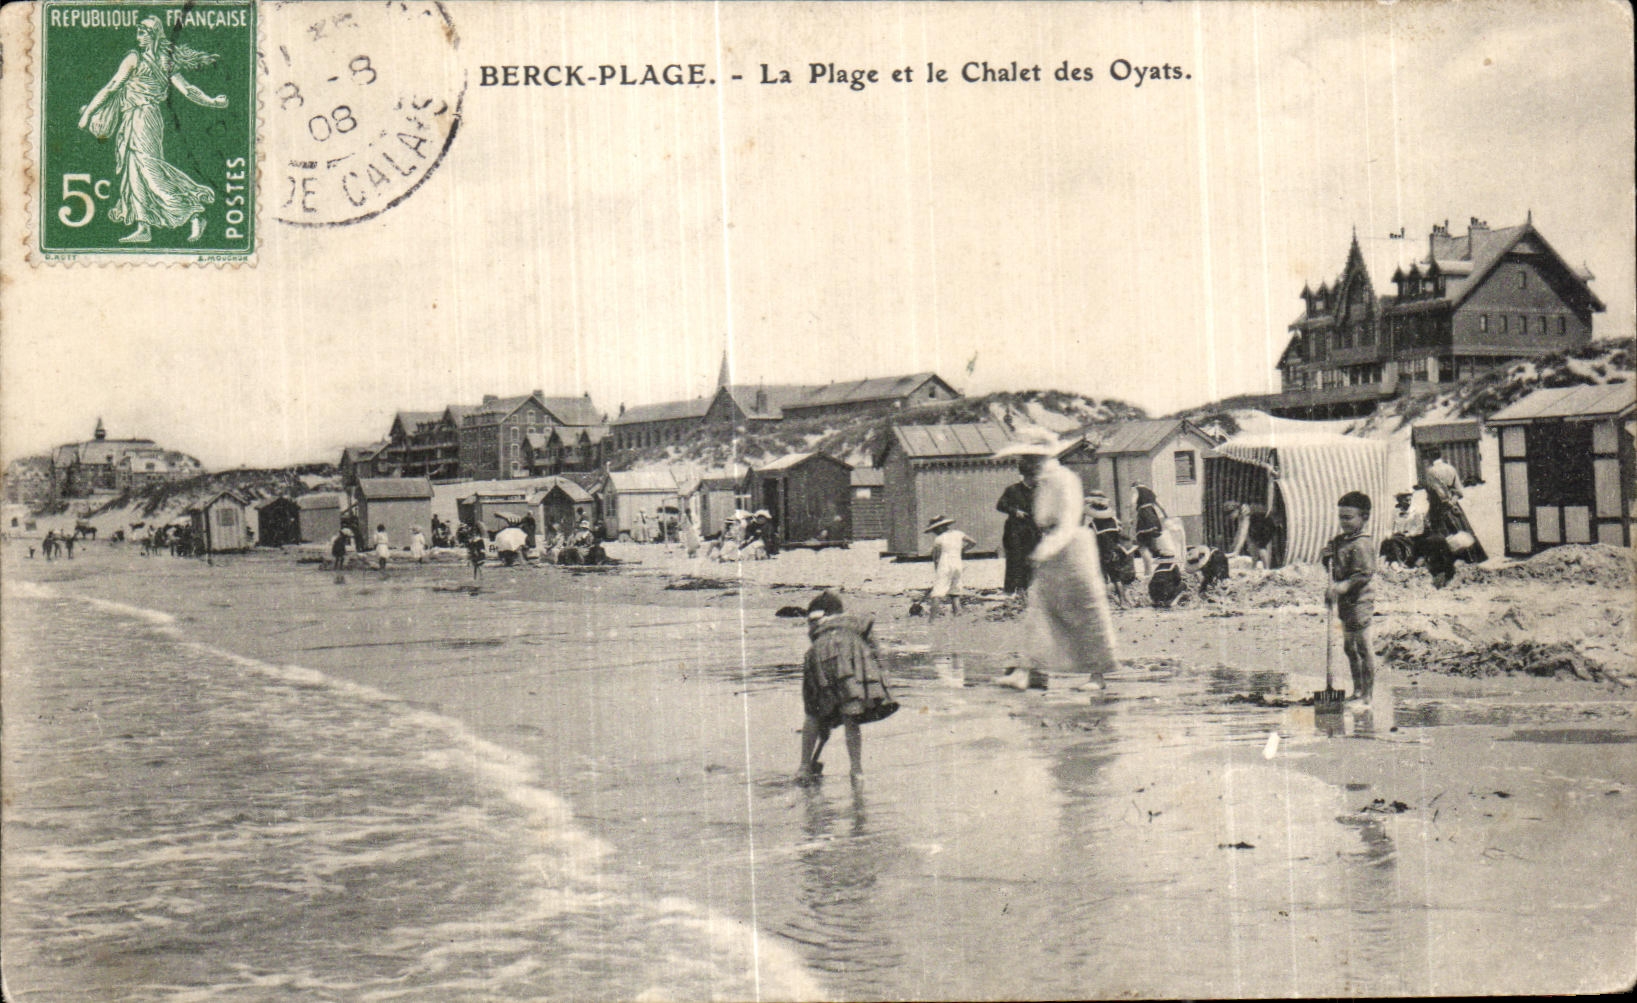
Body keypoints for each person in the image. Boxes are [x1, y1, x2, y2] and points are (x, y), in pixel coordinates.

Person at [77, 17, 227, 244]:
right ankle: (143, 226)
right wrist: (89, 112)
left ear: (154, 34)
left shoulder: (156, 61)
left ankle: (194, 212)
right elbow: (112, 86)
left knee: (150, 170)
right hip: (131, 118)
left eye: (143, 32)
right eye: (138, 32)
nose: (139, 37)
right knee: (134, 172)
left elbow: (187, 90)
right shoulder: (135, 58)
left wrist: (212, 102)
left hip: (146, 118)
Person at [994, 429, 1120, 691]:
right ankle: (1028, 671)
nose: (1023, 462)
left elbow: (1069, 521)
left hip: (1072, 550)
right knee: (1038, 611)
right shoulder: (1044, 482)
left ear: (1039, 457)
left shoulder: (1064, 479)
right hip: (1050, 548)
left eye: (1027, 457)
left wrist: (1046, 550)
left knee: (1084, 613)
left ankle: (1097, 676)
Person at [797, 591, 898, 783]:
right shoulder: (856, 623)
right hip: (851, 655)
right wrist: (882, 675)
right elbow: (876, 649)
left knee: (812, 713)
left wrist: (824, 720)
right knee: (851, 715)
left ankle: (803, 767)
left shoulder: (817, 627)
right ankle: (856, 770)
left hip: (818, 654)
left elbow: (816, 638)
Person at [1324, 491, 1379, 707]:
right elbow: (1333, 566)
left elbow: (1364, 574)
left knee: (1363, 646)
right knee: (1349, 648)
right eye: (1341, 517)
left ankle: (1367, 695)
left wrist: (1341, 587)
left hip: (1360, 601)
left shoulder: (1363, 544)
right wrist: (1326, 556)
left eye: (1348, 518)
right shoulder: (1340, 541)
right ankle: (1357, 690)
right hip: (1344, 603)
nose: (1343, 522)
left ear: (1364, 517)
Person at [995, 465, 1040, 597]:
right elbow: (1000, 505)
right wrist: (1015, 511)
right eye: (1035, 477)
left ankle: (1025, 588)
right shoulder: (1012, 489)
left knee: (1030, 559)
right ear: (1027, 477)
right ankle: (1009, 590)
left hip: (1032, 530)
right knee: (1014, 559)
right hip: (1014, 530)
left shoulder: (1038, 491)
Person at [1087, 492, 1135, 608]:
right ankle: (1123, 600)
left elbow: (1091, 540)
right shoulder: (1113, 522)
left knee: (1102, 577)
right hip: (1115, 551)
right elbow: (1120, 535)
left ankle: (1106, 602)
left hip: (1102, 552)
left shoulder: (1093, 524)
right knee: (1116, 577)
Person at [924, 515, 976, 618]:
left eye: (935, 530)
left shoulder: (939, 539)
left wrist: (937, 571)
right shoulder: (959, 534)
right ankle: (957, 614)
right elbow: (973, 542)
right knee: (955, 591)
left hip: (945, 564)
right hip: (958, 564)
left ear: (940, 528)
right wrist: (962, 550)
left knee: (937, 592)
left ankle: (932, 620)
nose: (934, 532)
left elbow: (936, 557)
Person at [1226, 499, 1277, 570]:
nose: (1231, 518)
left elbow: (1243, 532)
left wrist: (1236, 551)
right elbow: (1240, 532)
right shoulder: (1241, 513)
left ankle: (1266, 569)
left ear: (1235, 510)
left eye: (1231, 515)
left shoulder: (1245, 511)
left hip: (1266, 524)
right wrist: (1235, 549)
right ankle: (1254, 566)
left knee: (1261, 546)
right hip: (1258, 525)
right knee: (1252, 545)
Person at [1132, 484, 1168, 578]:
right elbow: (1161, 506)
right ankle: (1155, 571)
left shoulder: (1135, 489)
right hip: (1154, 518)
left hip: (1144, 519)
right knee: (1151, 545)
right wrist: (1166, 516)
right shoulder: (1149, 491)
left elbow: (1133, 502)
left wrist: (1131, 516)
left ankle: (1147, 572)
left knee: (1142, 545)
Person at [1380, 493, 1423, 566]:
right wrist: (1388, 535)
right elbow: (1389, 527)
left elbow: (1420, 528)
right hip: (1398, 536)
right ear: (1400, 500)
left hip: (1411, 538)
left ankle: (1398, 562)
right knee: (1387, 541)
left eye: (1410, 500)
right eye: (1406, 500)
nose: (1409, 502)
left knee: (1394, 540)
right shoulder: (1395, 512)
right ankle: (1385, 562)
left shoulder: (1416, 512)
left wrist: (1410, 534)